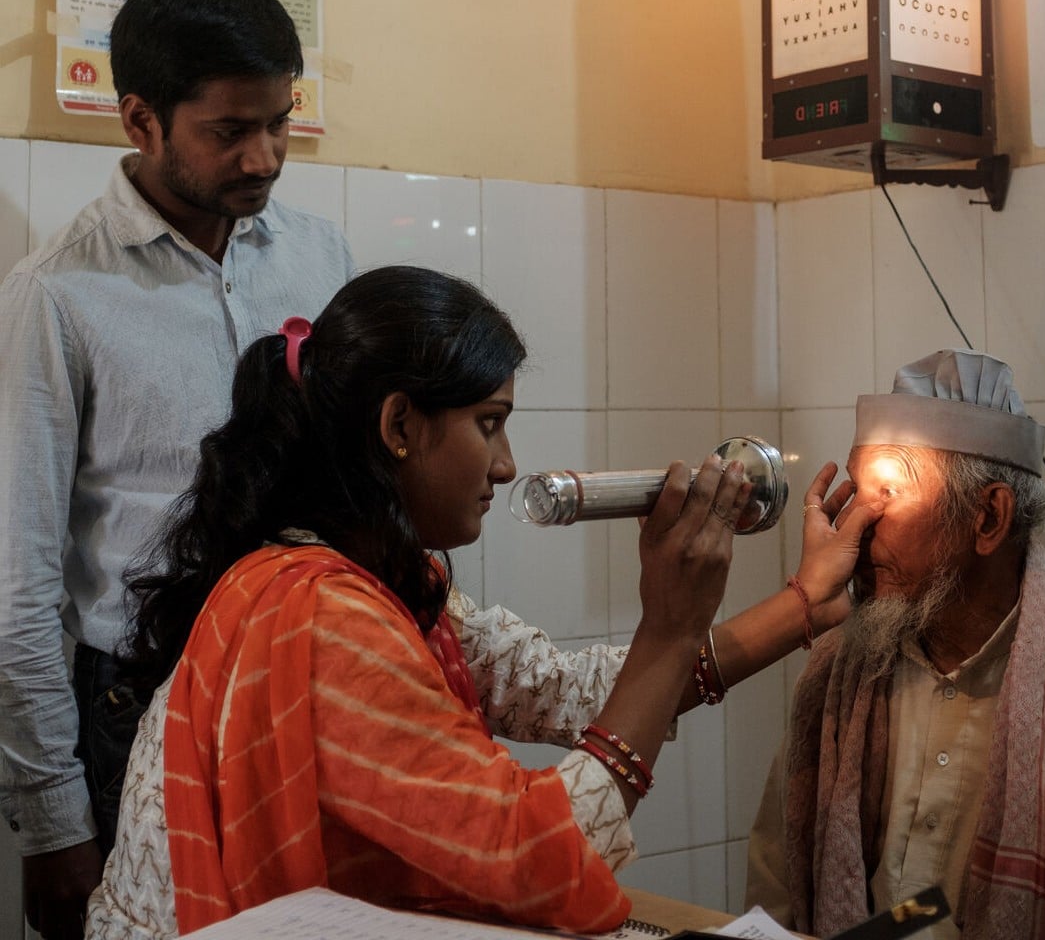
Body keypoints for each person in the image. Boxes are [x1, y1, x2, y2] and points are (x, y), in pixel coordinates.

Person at [85, 265, 883, 938]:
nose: (507, 466)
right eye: (489, 424)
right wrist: (671, 625)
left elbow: (568, 691)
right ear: (399, 424)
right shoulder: (325, 618)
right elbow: (543, 856)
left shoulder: (382, 581)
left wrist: (803, 604)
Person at [0, 0, 356, 940]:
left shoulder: (320, 259)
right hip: (135, 705)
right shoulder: (60, 291)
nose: (266, 154)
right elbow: (22, 576)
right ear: (139, 119)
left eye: (280, 121)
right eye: (229, 129)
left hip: (306, 684)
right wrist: (53, 818)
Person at [745, 348, 1045, 940]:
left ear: (988, 518)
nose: (853, 529)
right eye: (855, 495)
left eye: (887, 493)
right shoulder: (843, 667)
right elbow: (776, 883)